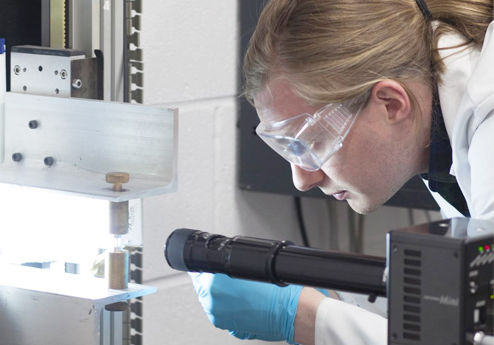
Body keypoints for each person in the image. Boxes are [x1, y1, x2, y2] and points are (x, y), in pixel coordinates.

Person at [190, 0, 494, 344]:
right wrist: (342, 300)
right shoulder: (441, 122)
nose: (302, 179)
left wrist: (306, 319)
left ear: (391, 104)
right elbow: (469, 310)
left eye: (314, 143)